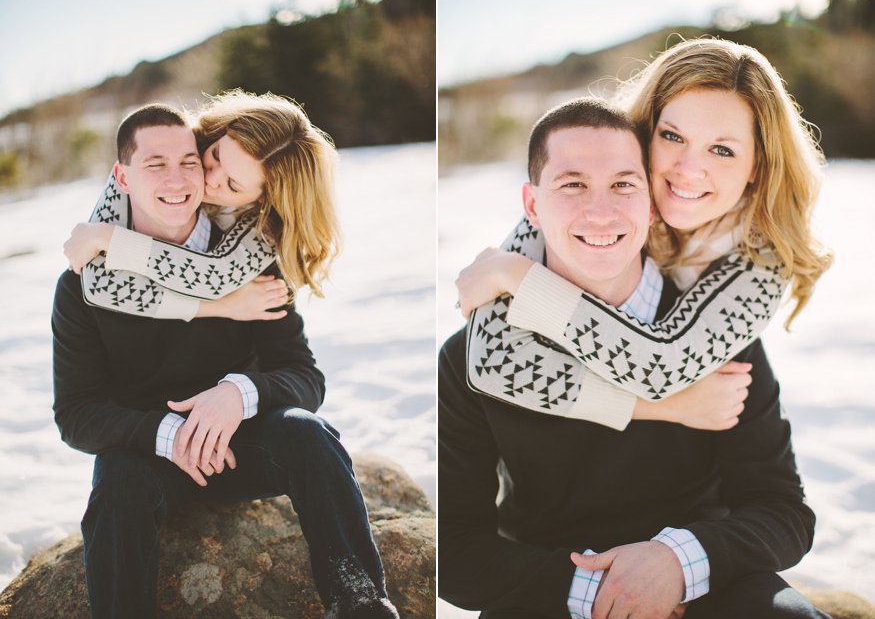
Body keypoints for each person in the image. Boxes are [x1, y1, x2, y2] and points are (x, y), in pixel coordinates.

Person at [438, 97, 826, 618]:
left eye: (623, 183)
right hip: (547, 590)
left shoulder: (716, 335)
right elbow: (457, 550)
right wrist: (599, 592)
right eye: (572, 184)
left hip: (708, 590)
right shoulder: (473, 355)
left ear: (650, 204)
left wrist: (676, 564)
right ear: (532, 206)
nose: (600, 211)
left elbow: (783, 512)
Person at [52, 103, 398, 619]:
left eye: (192, 164)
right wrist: (168, 435)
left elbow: (303, 376)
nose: (189, 180)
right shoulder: (85, 284)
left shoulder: (253, 261)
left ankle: (361, 604)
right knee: (117, 488)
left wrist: (238, 393)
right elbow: (77, 414)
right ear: (121, 176)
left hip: (244, 445)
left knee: (309, 433)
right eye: (205, 158)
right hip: (147, 454)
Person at [455, 38, 832, 432]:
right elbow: (491, 361)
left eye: (721, 150)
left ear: (758, 165)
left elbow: (658, 367)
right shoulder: (601, 194)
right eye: (673, 136)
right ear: (647, 132)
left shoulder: (763, 265)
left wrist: (520, 279)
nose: (688, 169)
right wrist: (665, 407)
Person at [64, 89, 340, 323]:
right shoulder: (171, 149)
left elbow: (213, 276)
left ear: (263, 200)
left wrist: (112, 240)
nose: (209, 177)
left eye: (232, 184)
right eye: (217, 155)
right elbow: (100, 283)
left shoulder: (267, 231)